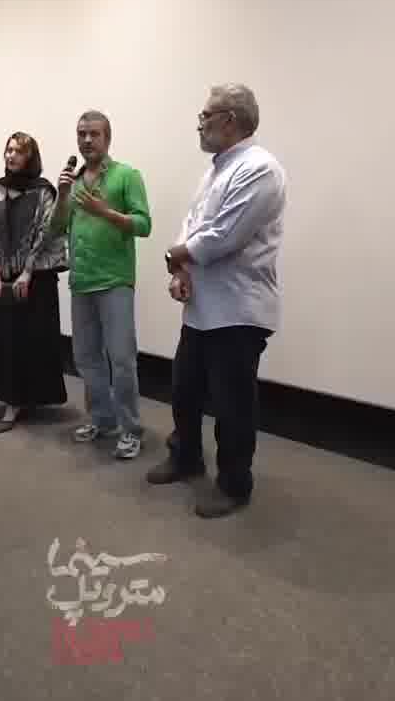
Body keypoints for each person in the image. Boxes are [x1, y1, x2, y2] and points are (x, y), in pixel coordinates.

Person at [146, 84, 286, 517]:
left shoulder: (260, 168)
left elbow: (225, 236)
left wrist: (175, 257)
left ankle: (234, 484)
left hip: (238, 310)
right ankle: (186, 456)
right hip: (203, 308)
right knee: (184, 390)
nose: (199, 123)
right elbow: (193, 225)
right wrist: (181, 270)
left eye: (205, 116)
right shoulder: (217, 170)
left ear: (230, 120)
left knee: (232, 405)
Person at [53, 111, 151, 459]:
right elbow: (55, 228)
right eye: (81, 134)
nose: (87, 140)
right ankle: (102, 419)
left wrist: (104, 211)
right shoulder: (74, 181)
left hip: (115, 281)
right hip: (81, 281)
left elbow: (143, 225)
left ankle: (131, 429)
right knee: (86, 357)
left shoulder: (127, 176)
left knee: (121, 359)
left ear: (108, 138)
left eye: (94, 134)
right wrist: (62, 194)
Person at [0, 132, 68, 433]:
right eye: (8, 150)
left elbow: (46, 232)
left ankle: (25, 398)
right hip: (2, 276)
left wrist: (27, 272)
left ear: (30, 157)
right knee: (4, 338)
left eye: (18, 151)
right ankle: (10, 399)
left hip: (35, 279)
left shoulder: (43, 191)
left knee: (29, 339)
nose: (11, 155)